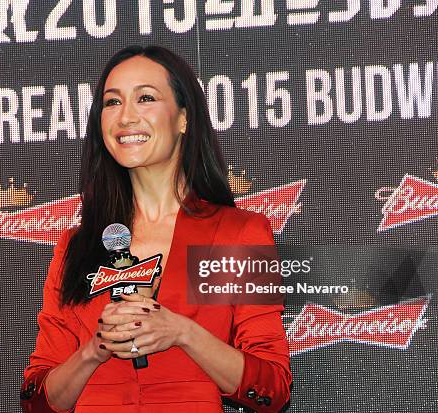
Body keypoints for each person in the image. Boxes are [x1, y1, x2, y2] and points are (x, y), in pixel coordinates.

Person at [21, 45, 292, 413]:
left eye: (145, 98)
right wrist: (94, 350)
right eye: (112, 102)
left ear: (183, 118)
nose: (126, 117)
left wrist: (180, 332)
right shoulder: (76, 245)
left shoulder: (236, 234)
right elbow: (37, 401)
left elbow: (272, 389)